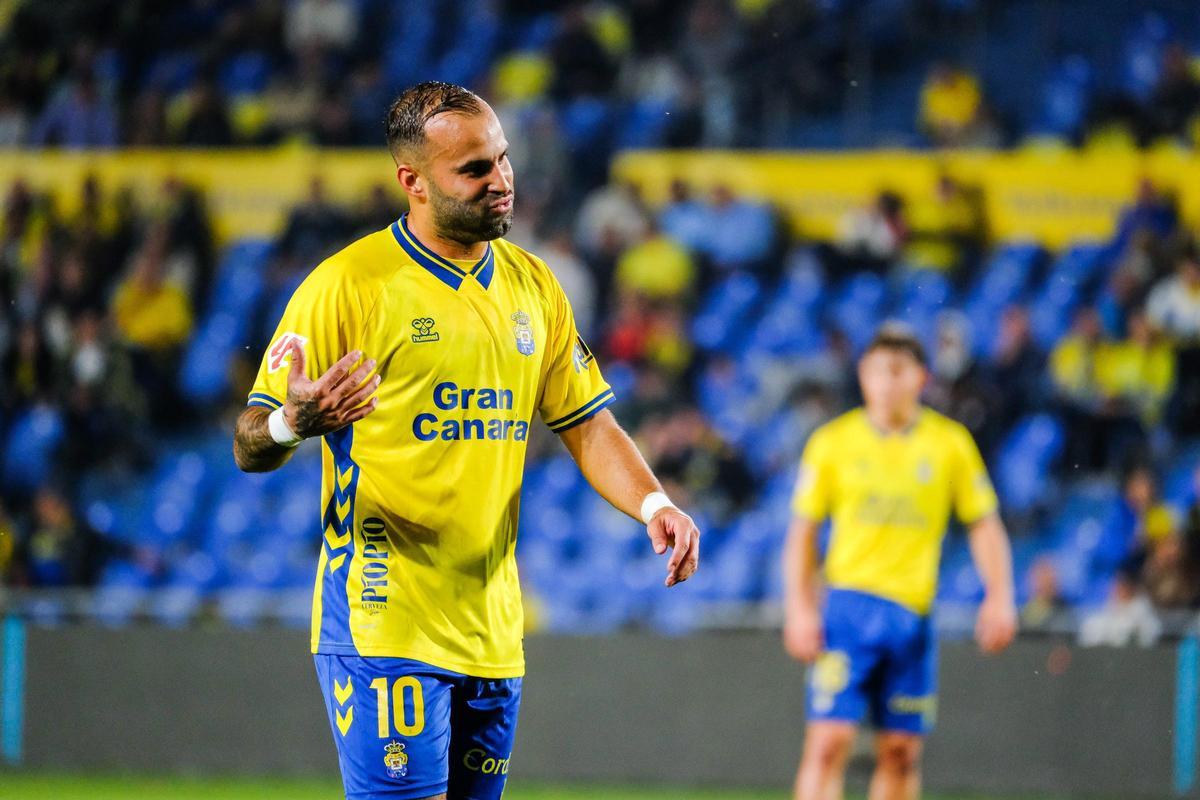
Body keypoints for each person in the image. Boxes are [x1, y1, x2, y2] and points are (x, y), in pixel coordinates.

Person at [231, 81, 700, 800]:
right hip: (384, 618)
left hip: (490, 628)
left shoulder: (534, 285)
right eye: (475, 170)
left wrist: (653, 504)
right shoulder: (347, 287)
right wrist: (297, 422)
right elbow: (248, 441)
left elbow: (587, 423)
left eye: (503, 160)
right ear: (412, 182)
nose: (502, 181)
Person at [782, 322, 1017, 800]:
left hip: (912, 614)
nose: (886, 382)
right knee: (828, 742)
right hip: (847, 610)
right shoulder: (832, 443)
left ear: (921, 378)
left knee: (902, 752)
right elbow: (802, 534)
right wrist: (800, 607)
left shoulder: (949, 445)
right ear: (862, 377)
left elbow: (984, 524)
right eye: (875, 371)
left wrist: (1000, 597)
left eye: (897, 370)